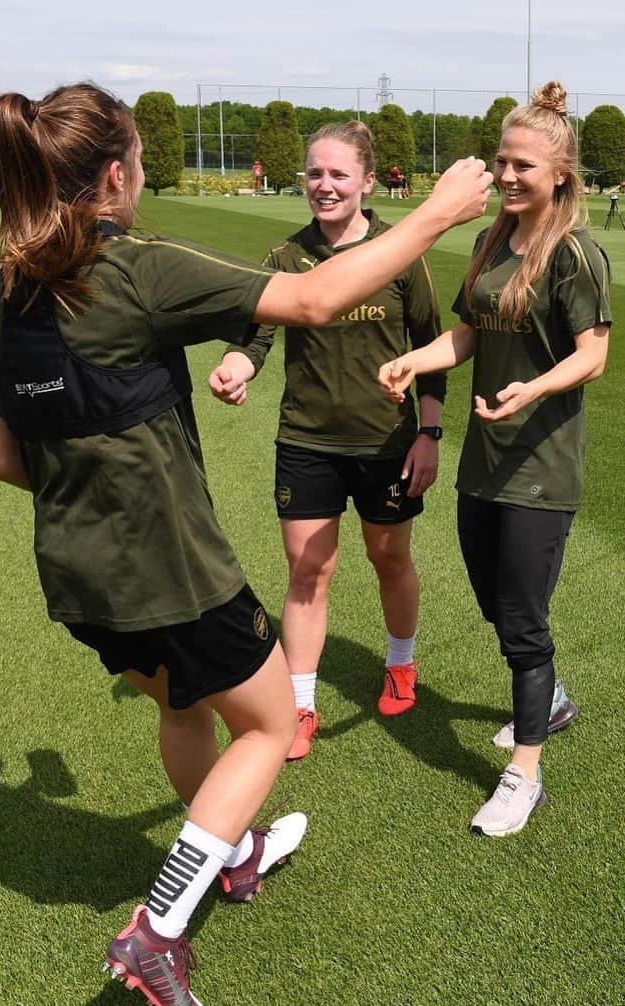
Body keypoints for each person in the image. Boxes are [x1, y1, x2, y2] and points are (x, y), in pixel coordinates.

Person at [0, 83, 491, 1006]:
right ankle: (159, 927)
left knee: (178, 697)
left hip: (77, 576)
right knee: (262, 725)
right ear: (118, 173)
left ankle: (236, 855)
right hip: (170, 564)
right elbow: (315, 296)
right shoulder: (132, 266)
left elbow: (5, 460)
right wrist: (440, 212)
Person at [379, 81, 611, 838]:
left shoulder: (574, 253)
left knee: (519, 617)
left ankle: (524, 775)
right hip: (485, 460)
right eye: (502, 162)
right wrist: (415, 360)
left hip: (541, 464)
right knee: (493, 598)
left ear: (560, 178)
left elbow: (594, 355)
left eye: (523, 168)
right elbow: (470, 334)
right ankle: (547, 698)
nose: (508, 177)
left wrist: (532, 389)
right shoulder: (492, 242)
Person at [209, 121, 445, 762]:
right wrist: (238, 366)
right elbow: (254, 334)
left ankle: (400, 663)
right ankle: (302, 702)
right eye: (315, 173)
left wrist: (428, 434)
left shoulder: (400, 255)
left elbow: (431, 347)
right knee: (308, 571)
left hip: (387, 443)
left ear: (368, 181)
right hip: (307, 441)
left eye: (339, 174)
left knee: (388, 559)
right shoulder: (286, 258)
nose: (325, 185)